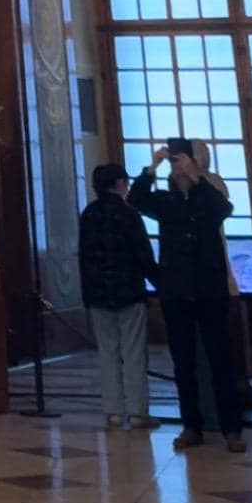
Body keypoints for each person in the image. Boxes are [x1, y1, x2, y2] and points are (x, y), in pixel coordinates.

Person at [130, 140, 246, 452]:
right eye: (175, 164)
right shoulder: (166, 202)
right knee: (183, 363)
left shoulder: (208, 197)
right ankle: (191, 426)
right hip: (177, 292)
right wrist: (152, 167)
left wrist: (196, 178)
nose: (178, 169)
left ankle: (231, 429)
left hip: (210, 291)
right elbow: (135, 199)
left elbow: (224, 209)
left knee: (221, 360)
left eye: (182, 162)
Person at [79, 161, 159, 430]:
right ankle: (137, 412)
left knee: (107, 353)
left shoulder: (88, 214)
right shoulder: (129, 214)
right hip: (129, 291)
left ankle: (113, 412)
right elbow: (143, 254)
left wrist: (87, 294)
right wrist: (160, 283)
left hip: (98, 293)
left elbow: (84, 258)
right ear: (119, 184)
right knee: (134, 353)